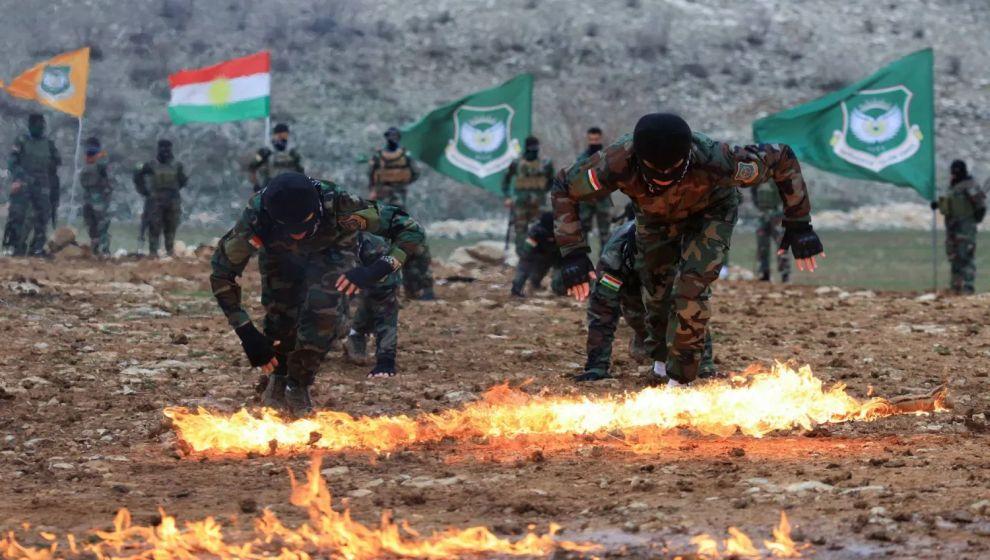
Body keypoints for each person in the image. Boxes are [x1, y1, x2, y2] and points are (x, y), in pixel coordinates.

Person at [552, 113, 823, 386]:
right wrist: (573, 252)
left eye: (673, 168)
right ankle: (661, 363)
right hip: (655, 219)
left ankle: (681, 381)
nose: (664, 177)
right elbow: (564, 187)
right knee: (656, 292)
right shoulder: (616, 162)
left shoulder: (718, 159)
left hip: (711, 213)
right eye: (655, 170)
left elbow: (782, 158)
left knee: (690, 289)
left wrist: (799, 224)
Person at [210, 172, 425, 416]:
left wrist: (375, 270)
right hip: (279, 256)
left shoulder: (342, 205)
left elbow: (410, 230)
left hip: (332, 252)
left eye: (304, 224)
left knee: (324, 314)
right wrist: (246, 332)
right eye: (290, 228)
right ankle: (278, 376)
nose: (298, 234)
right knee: (280, 316)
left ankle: (299, 384)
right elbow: (222, 273)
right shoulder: (257, 216)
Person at [576, 220, 715, 382]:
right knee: (637, 316)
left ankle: (694, 360)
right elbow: (602, 311)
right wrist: (596, 366)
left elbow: (694, 307)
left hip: (669, 271)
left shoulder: (678, 253)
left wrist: (704, 367)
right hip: (631, 278)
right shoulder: (615, 261)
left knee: (685, 305)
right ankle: (645, 341)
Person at [368, 127, 435, 300]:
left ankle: (413, 289)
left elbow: (413, 173)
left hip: (391, 203)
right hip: (388, 203)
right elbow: (373, 176)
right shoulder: (387, 156)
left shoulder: (394, 156)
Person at [342, 233, 402, 377]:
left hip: (375, 263)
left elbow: (384, 300)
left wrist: (385, 361)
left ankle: (356, 334)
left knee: (378, 296)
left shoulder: (375, 247)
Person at [4, 113, 60, 256]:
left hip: (42, 184)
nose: (40, 128)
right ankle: (13, 246)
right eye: (37, 125)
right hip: (24, 182)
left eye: (42, 125)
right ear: (30, 125)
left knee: (43, 216)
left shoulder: (48, 143)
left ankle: (37, 247)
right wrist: (18, 178)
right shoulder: (22, 141)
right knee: (18, 215)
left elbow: (56, 162)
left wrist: (52, 182)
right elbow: (12, 162)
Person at [935, 160, 985, 295]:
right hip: (952, 229)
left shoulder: (970, 186)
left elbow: (980, 206)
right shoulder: (952, 187)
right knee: (954, 258)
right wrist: (938, 205)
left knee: (966, 258)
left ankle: (968, 288)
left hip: (965, 229)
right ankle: (955, 287)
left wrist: (972, 221)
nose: (954, 174)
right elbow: (948, 206)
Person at [134, 139, 187, 256]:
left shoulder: (177, 165)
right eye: (163, 148)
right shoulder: (151, 165)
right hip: (155, 200)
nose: (165, 151)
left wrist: (174, 191)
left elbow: (183, 180)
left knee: (171, 226)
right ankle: (153, 253)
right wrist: (144, 191)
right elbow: (137, 176)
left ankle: (169, 251)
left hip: (172, 200)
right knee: (154, 227)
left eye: (167, 148)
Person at [503, 136, 554, 257]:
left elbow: (552, 181)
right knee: (520, 229)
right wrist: (508, 197)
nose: (534, 151)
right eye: (531, 148)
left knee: (540, 230)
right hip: (520, 203)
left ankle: (537, 256)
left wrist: (544, 192)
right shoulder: (516, 163)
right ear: (526, 148)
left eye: (535, 148)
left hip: (539, 204)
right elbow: (506, 180)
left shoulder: (545, 163)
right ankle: (522, 256)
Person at [510, 211, 565, 298]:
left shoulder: (561, 231)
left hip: (554, 254)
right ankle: (517, 289)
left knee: (562, 270)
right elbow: (527, 253)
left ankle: (558, 289)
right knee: (526, 269)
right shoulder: (536, 232)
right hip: (537, 254)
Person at [577, 127, 613, 252]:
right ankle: (582, 261)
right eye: (591, 140)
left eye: (596, 140)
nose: (593, 142)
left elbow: (614, 177)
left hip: (603, 200)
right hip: (586, 201)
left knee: (605, 234)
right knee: (582, 232)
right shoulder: (582, 159)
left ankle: (604, 261)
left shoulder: (608, 157)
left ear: (601, 139)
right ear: (588, 140)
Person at [79, 137, 113, 256]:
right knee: (90, 223)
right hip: (88, 195)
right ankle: (95, 248)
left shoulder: (101, 159)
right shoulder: (88, 160)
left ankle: (104, 250)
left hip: (99, 196)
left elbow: (104, 170)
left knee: (101, 224)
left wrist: (98, 155)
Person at [751, 181, 790, 283]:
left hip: (778, 215)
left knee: (781, 245)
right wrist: (759, 207)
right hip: (762, 215)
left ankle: (785, 274)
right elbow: (753, 192)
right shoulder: (759, 176)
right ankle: (764, 273)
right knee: (762, 245)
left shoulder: (780, 175)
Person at [249, 123, 304, 192]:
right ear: (275, 135)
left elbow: (301, 170)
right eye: (280, 135)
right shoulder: (266, 151)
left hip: (290, 187)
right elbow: (252, 166)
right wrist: (256, 185)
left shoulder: (292, 152)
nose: (282, 138)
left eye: (285, 136)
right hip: (271, 187)